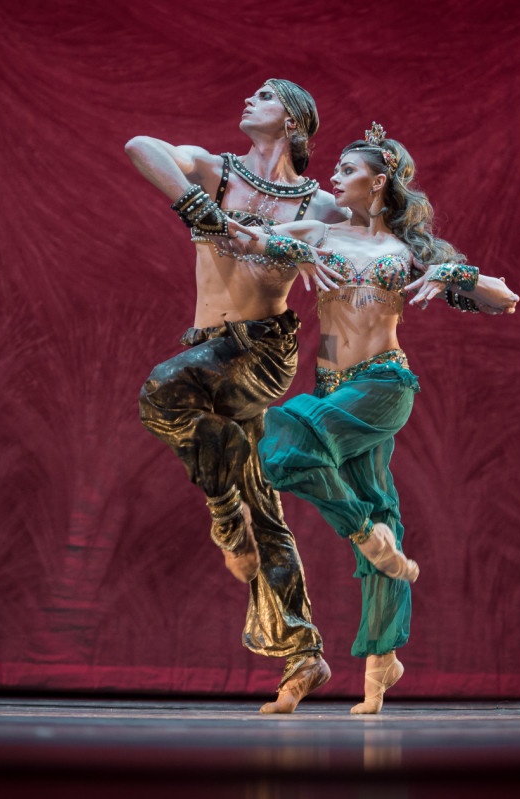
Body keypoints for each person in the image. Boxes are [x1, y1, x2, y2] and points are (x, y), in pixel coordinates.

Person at [231, 123, 520, 714]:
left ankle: (365, 535)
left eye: (348, 169)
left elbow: (504, 298)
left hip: (385, 383)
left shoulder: (411, 250)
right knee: (375, 502)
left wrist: (455, 274)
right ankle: (382, 658)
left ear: (379, 180)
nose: (334, 177)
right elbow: (242, 237)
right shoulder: (319, 231)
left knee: (286, 436)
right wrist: (287, 248)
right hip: (331, 386)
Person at [124, 80, 347, 714]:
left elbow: (369, 253)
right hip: (210, 348)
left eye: (266, 96)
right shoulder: (213, 171)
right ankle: (304, 653)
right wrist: (204, 211)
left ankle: (224, 516)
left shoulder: (318, 203)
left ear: (294, 122)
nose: (249, 100)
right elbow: (140, 145)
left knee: (163, 391)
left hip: (262, 350)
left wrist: (334, 377)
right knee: (261, 501)